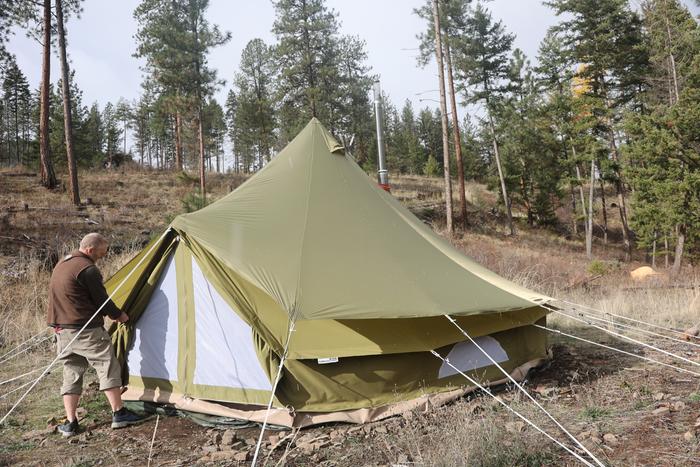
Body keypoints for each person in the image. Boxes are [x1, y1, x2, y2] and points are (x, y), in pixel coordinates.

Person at [47, 233, 147, 437]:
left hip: (62, 331)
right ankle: (119, 413)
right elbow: (103, 301)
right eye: (102, 253)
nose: (103, 256)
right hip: (86, 330)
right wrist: (120, 316)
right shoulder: (88, 269)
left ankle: (70, 422)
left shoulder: (63, 263)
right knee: (107, 365)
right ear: (90, 250)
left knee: (71, 372)